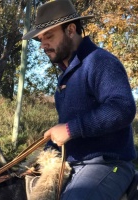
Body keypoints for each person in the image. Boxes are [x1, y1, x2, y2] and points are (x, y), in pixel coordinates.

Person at [22, 0, 137, 199]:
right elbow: (68, 135)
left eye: (49, 36)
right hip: (74, 165)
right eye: (40, 39)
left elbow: (123, 108)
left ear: (71, 30)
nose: (43, 45)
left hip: (110, 164)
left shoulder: (100, 61)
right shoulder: (65, 79)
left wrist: (69, 129)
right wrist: (46, 150)